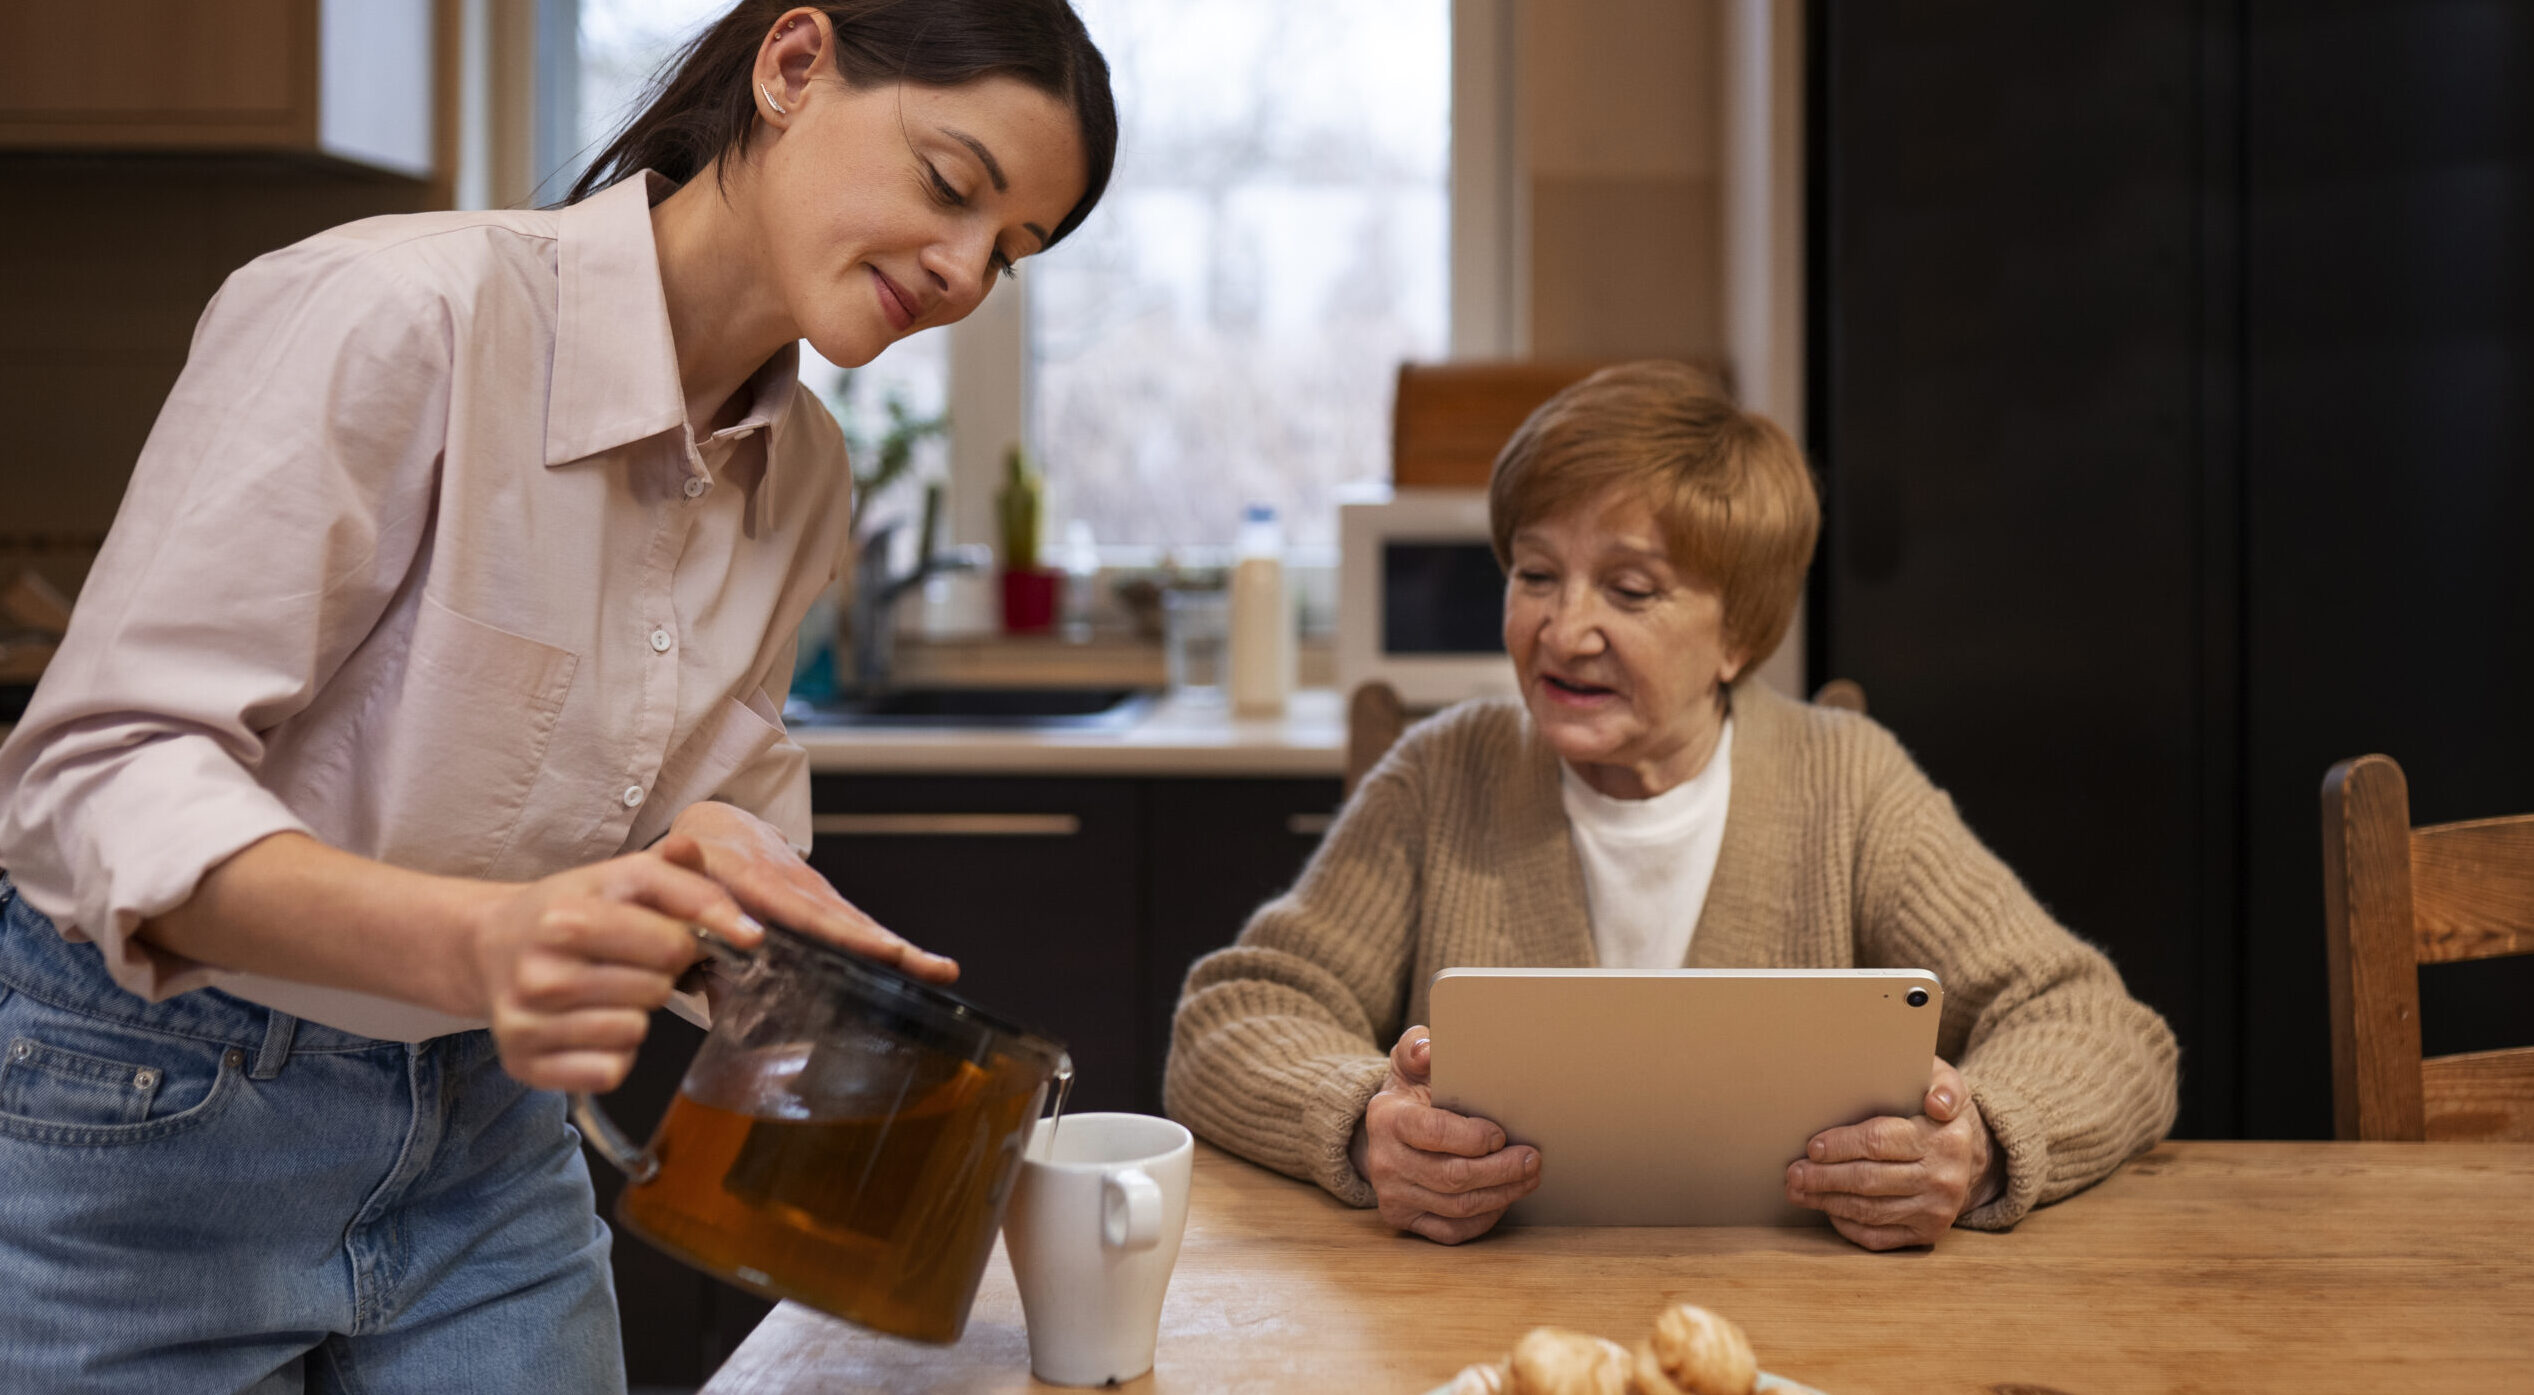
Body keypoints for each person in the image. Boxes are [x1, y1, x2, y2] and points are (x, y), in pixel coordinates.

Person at [0, 3, 1114, 1389]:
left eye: (1009, 254)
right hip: (144, 1110)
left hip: (486, 1128)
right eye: (952, 186)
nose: (960, 270)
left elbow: (686, 811)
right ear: (791, 67)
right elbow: (90, 779)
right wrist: (488, 942)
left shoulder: (804, 469)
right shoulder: (396, 312)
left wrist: (722, 893)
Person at [1165, 361, 2178, 1251]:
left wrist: (1982, 1144)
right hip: (1470, 1327)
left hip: (1805, 1331)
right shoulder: (1441, 777)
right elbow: (1234, 1016)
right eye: (1534, 575)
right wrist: (1359, 1123)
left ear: (1738, 633)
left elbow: (2098, 1026)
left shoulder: (1849, 786)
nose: (1564, 631)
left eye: (1630, 590)